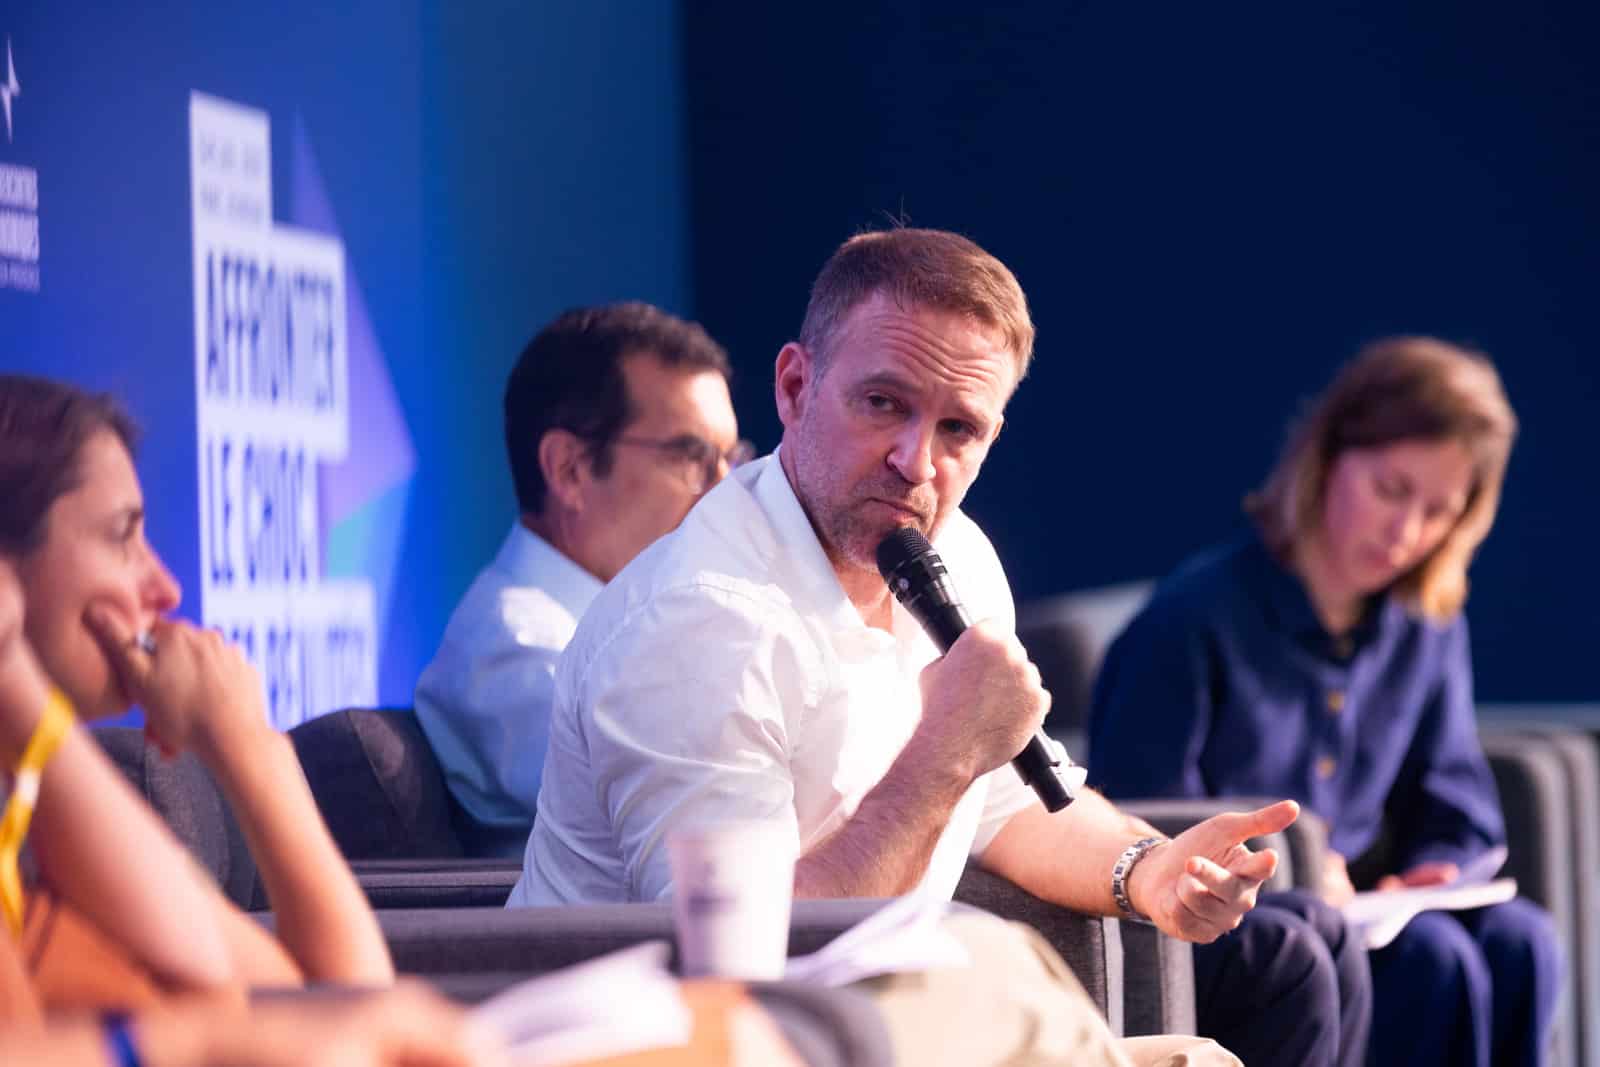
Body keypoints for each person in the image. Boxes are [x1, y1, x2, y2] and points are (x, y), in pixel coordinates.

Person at [510, 227, 1312, 1066]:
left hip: (861, 1033)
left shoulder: (954, 552)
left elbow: (1006, 808)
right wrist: (946, 750)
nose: (914, 462)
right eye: (884, 403)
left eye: (958, 427)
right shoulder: (695, 622)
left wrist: (1150, 871)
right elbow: (749, 968)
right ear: (794, 387)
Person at [1089, 337, 1563, 1067]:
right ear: (1329, 457)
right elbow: (1145, 831)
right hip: (1249, 918)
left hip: (1372, 908)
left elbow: (1458, 804)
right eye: (1391, 490)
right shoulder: (1191, 620)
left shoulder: (1427, 624)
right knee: (1436, 959)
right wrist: (1302, 868)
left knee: (1523, 940)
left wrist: (1436, 867)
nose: (1407, 532)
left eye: (1439, 511)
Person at [0, 372, 392, 987]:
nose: (166, 588)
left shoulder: (37, 800)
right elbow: (351, 1004)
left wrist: (247, 743)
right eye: (122, 536)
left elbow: (323, 1002)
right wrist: (247, 748)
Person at [415, 303, 748, 851]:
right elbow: (707, 826)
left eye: (730, 461)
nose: (725, 494)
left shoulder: (647, 627)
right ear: (569, 469)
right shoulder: (516, 652)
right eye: (692, 458)